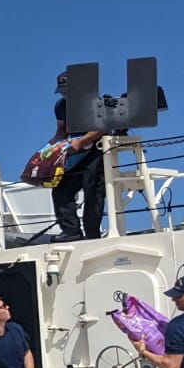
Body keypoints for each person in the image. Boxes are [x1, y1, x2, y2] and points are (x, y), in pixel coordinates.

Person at [51, 71, 106, 241]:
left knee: (93, 192)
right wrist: (52, 146)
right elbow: (61, 130)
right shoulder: (60, 106)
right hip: (74, 155)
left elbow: (102, 128)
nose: (65, 95)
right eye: (62, 91)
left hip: (94, 153)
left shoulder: (95, 103)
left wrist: (82, 141)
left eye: (68, 91)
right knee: (60, 189)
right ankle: (71, 231)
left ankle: (92, 234)